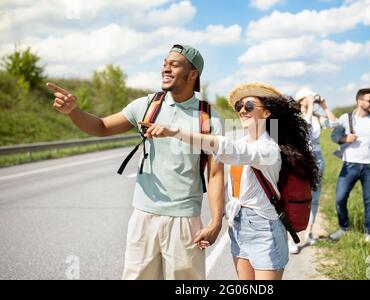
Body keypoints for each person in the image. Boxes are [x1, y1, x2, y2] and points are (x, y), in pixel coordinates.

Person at [47, 44, 225, 280]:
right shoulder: (146, 106)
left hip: (185, 221)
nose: (166, 68)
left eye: (174, 64)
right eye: (164, 63)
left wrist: (215, 222)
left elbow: (215, 174)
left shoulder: (210, 118)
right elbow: (101, 127)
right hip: (143, 217)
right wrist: (74, 112)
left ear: (193, 74)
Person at [140, 82, 320, 280]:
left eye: (249, 106)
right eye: (239, 107)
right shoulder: (243, 142)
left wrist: (174, 132)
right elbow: (222, 167)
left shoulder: (269, 149)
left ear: (267, 113)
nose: (242, 110)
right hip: (239, 223)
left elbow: (225, 148)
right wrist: (217, 221)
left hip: (264, 227)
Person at [329, 88, 370, 243]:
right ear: (359, 101)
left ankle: (368, 232)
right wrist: (345, 138)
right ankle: (344, 228)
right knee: (340, 199)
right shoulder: (346, 118)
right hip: (350, 166)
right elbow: (334, 135)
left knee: (369, 201)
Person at [286, 88, 337, 254]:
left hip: (317, 158)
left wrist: (324, 105)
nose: (311, 101)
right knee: (294, 197)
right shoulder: (295, 118)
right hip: (300, 160)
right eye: (307, 99)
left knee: (314, 199)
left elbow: (335, 125)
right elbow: (305, 131)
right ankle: (291, 238)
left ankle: (309, 232)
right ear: (300, 101)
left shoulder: (316, 117)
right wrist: (308, 107)